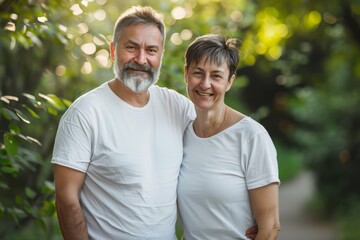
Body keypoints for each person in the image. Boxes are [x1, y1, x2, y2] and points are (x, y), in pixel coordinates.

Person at [52, 6, 195, 239]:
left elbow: (215, 146)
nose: (141, 59)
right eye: (131, 47)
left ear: (161, 55)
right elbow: (66, 199)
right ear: (112, 50)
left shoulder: (177, 107)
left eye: (151, 50)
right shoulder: (85, 113)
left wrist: (244, 212)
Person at [177, 34, 281, 239]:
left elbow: (270, 228)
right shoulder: (181, 134)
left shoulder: (251, 136)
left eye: (216, 76)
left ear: (229, 81)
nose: (205, 84)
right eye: (198, 73)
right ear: (186, 74)